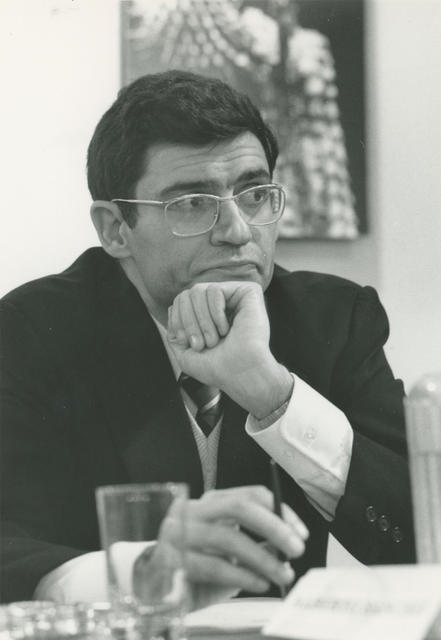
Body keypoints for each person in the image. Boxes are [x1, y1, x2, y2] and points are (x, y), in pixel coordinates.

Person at [0, 70, 415, 606]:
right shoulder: (31, 332)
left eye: (255, 194)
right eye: (193, 203)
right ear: (115, 229)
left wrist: (273, 394)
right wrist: (139, 573)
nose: (238, 231)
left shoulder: (333, 320)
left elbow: (424, 531)